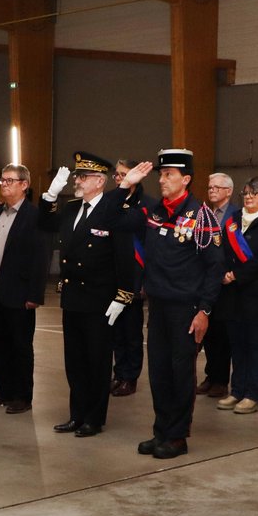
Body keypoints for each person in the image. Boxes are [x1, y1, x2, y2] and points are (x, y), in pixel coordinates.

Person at [118, 150, 224, 459]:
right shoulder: (154, 212)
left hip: (186, 309)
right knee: (159, 372)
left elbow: (214, 268)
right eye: (161, 175)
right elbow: (118, 220)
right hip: (159, 306)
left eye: (169, 175)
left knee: (180, 373)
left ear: (186, 179)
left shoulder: (201, 215)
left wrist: (205, 311)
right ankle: (161, 430)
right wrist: (127, 186)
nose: (162, 180)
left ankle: (178, 436)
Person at [39, 152, 136, 437]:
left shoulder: (113, 210)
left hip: (100, 300)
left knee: (97, 361)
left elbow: (125, 258)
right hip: (73, 298)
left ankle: (94, 418)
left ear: (99, 181)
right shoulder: (70, 209)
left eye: (83, 177)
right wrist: (50, 194)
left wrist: (123, 296)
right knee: (75, 362)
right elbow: (44, 225)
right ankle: (76, 414)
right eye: (77, 176)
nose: (77, 181)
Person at [0, 164, 50, 414]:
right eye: (3, 180)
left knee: (20, 346)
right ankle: (3, 391)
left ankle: (22, 396)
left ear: (24, 185)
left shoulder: (33, 215)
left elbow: (40, 258)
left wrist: (34, 294)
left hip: (19, 293)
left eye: (9, 181)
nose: (4, 184)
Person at [214, 177, 258, 415]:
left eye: (254, 193)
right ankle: (237, 390)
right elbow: (222, 248)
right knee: (236, 343)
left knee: (255, 343)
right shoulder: (233, 220)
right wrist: (224, 272)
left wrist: (237, 274)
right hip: (232, 293)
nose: (248, 197)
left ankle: (252, 394)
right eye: (245, 193)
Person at [110, 159, 150, 397]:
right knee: (115, 329)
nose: (118, 178)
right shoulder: (113, 200)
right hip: (113, 274)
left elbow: (150, 246)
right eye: (116, 174)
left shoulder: (147, 205)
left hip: (136, 276)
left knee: (132, 331)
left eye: (123, 174)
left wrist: (145, 280)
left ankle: (130, 377)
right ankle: (118, 372)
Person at [198, 173, 238, 400]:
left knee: (222, 334)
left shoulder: (234, 216)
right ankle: (210, 376)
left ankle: (221, 380)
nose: (212, 190)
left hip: (225, 283)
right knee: (208, 334)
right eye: (210, 187)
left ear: (229, 191)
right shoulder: (205, 214)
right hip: (205, 282)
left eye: (217, 187)